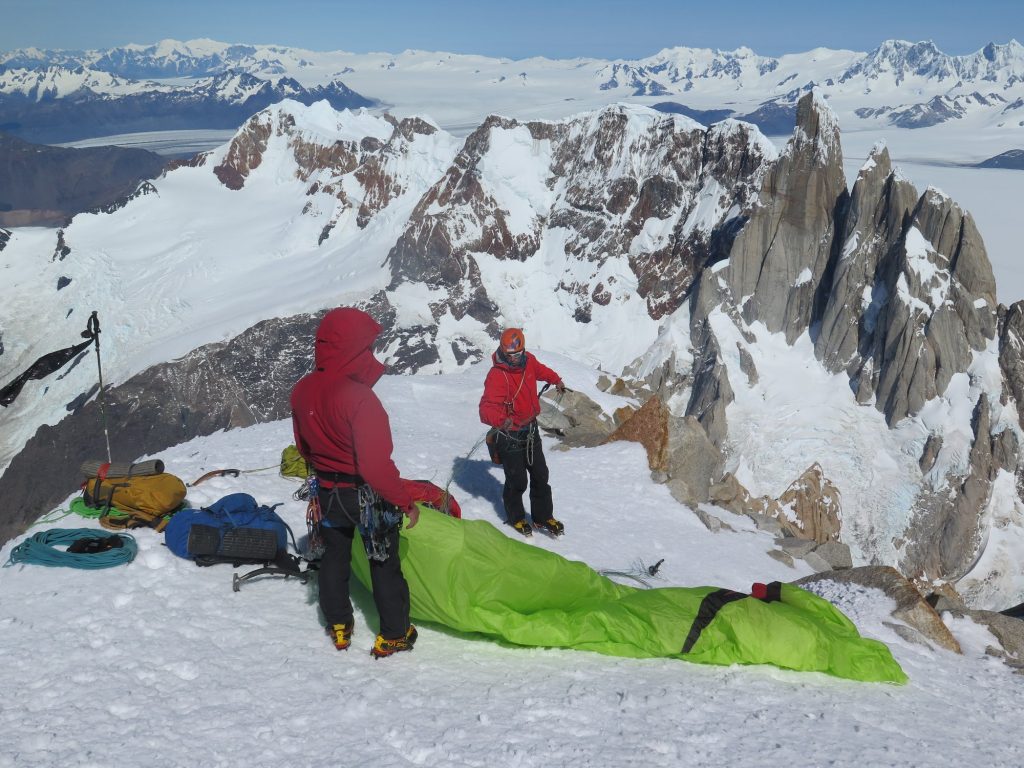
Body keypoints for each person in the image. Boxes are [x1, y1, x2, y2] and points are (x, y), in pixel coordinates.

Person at [291, 307, 419, 659]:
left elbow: (303, 447)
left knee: (334, 557)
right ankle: (394, 634)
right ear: (352, 348)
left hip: (327, 493)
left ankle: (338, 623)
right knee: (383, 563)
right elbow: (375, 466)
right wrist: (405, 501)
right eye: (366, 348)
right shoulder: (360, 398)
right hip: (366, 497)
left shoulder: (301, 391)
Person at [479, 328, 566, 537]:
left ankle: (543, 516)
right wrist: (502, 420)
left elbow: (541, 370)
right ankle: (516, 517)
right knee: (517, 480)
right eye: (511, 355)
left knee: (540, 475)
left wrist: (556, 380)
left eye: (518, 354)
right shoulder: (497, 376)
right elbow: (485, 409)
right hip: (509, 436)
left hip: (530, 431)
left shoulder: (529, 362)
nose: (515, 358)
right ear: (503, 351)